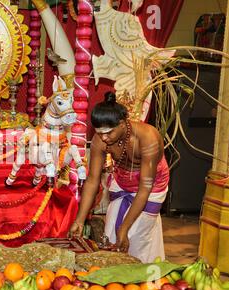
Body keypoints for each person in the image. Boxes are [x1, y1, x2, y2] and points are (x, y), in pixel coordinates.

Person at [69, 92, 170, 263]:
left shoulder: (148, 138)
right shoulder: (100, 140)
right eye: (99, 133)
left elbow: (145, 189)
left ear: (123, 124)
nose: (104, 138)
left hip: (151, 187)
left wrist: (124, 229)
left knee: (137, 238)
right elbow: (93, 180)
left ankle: (144, 277)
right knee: (110, 235)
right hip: (122, 182)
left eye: (108, 133)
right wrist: (79, 219)